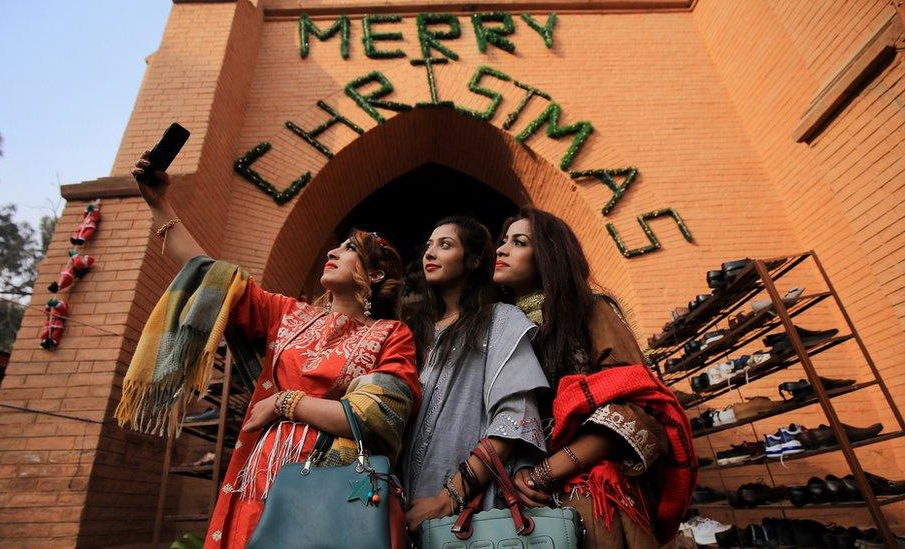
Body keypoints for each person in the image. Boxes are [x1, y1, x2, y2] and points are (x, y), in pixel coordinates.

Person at [121, 151, 421, 548]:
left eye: (348, 249)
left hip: (332, 483)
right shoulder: (287, 313)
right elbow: (209, 274)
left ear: (377, 273)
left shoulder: (391, 334)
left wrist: (284, 403)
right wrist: (160, 204)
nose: (332, 252)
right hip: (263, 471)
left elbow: (378, 418)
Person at [494, 206, 696, 547]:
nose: (501, 249)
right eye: (503, 241)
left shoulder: (589, 309)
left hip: (590, 491)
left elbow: (637, 405)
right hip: (517, 494)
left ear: (548, 254)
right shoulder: (498, 328)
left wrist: (547, 472)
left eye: (519, 242)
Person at [399, 216, 549, 532]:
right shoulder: (410, 334)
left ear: (474, 260)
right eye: (428, 246)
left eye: (445, 245)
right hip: (399, 510)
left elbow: (513, 419)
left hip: (469, 515)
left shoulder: (501, 321)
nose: (430, 253)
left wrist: (449, 496)